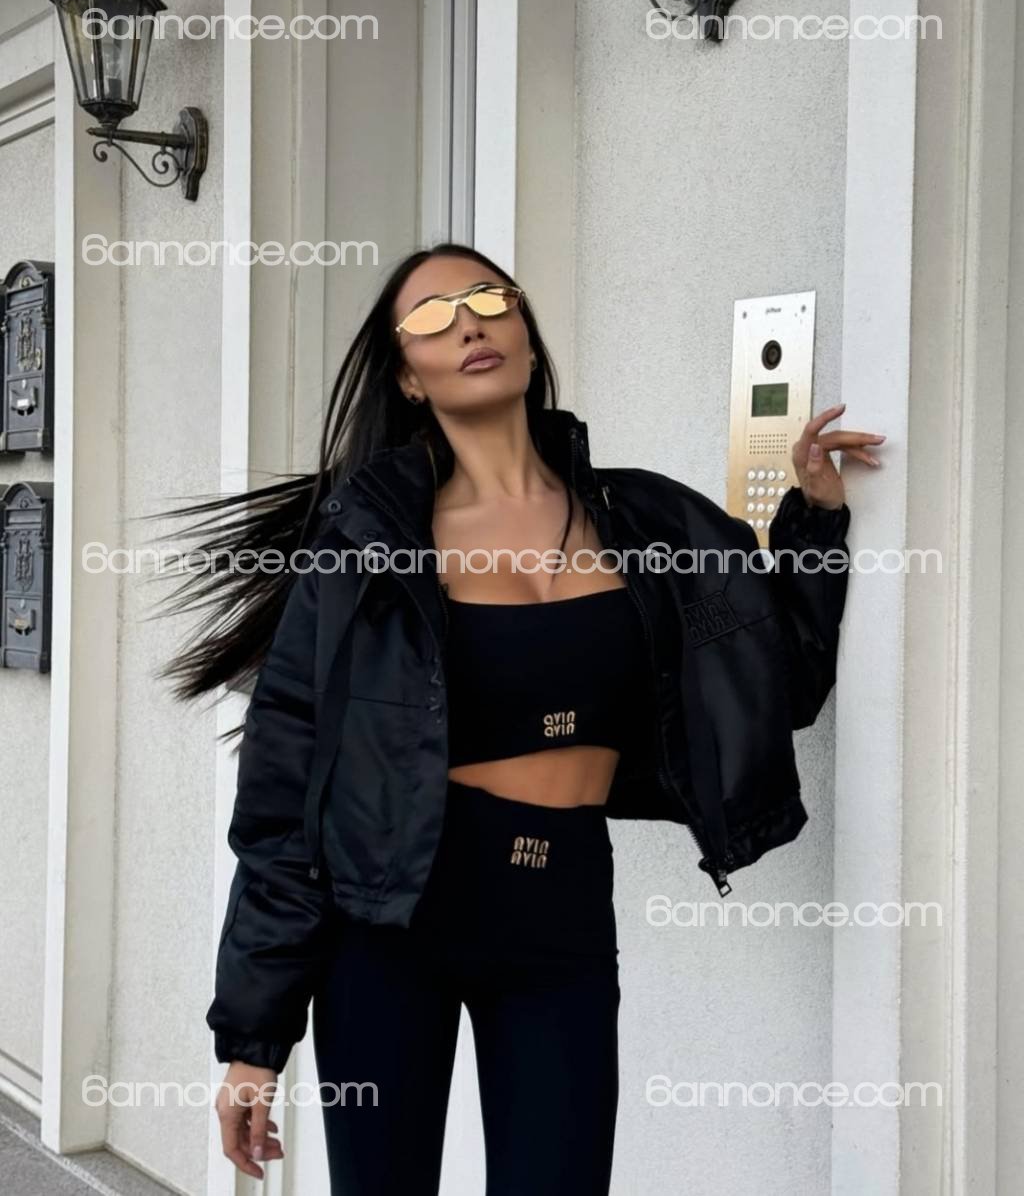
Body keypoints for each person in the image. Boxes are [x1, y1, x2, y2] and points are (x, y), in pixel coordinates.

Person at [152, 241, 884, 1194]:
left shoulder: (649, 523)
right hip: (391, 923)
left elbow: (776, 686)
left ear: (528, 338)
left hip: (560, 910)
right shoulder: (365, 547)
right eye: (432, 316)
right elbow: (284, 789)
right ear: (408, 376)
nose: (469, 323)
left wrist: (816, 519)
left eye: (490, 299)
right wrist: (252, 1041)